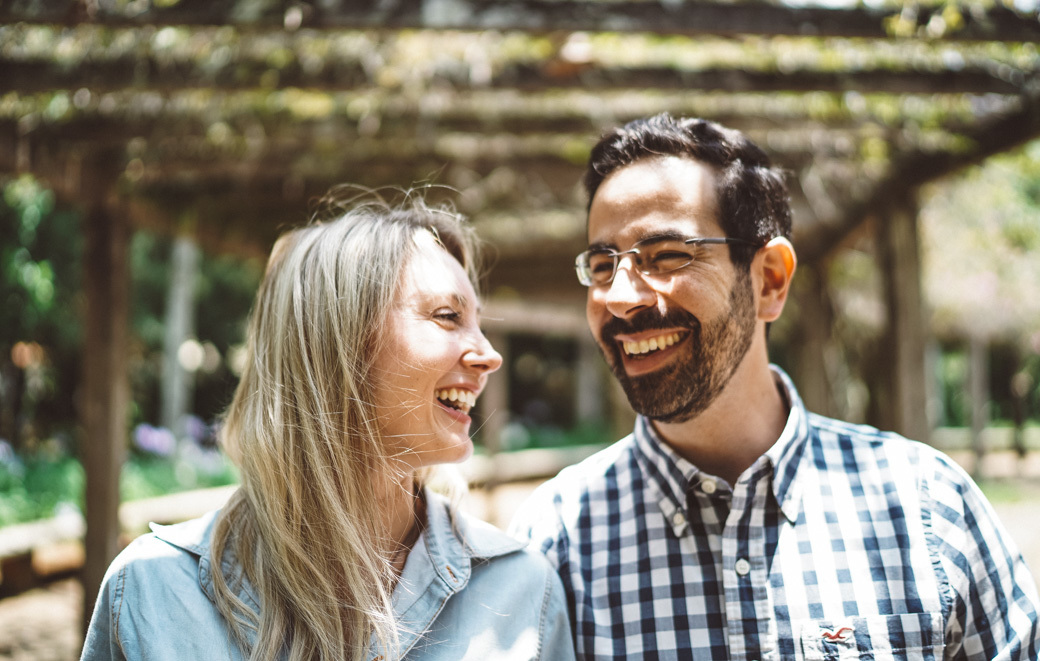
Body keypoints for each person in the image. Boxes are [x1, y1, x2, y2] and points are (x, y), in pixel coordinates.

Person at [510, 114, 1040, 660]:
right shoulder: (554, 543)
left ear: (769, 280)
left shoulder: (928, 506)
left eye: (666, 255)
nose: (619, 297)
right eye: (602, 265)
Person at [82, 191, 575, 661]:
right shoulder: (152, 590)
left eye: (479, 322)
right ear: (337, 343)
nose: (491, 355)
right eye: (449, 316)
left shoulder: (524, 590)